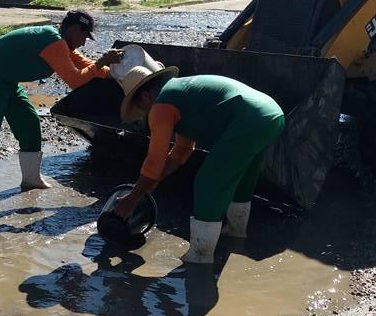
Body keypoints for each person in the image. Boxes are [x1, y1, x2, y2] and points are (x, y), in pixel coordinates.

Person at [111, 64, 285, 264]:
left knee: (208, 182)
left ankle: (200, 256)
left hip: (249, 119)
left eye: (140, 108)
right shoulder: (178, 93)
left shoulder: (160, 106)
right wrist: (152, 183)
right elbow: (182, 150)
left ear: (144, 96)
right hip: (271, 114)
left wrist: (131, 199)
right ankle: (236, 233)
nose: (143, 114)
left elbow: (154, 161)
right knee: (242, 177)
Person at [0, 10, 123, 209]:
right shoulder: (53, 41)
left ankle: (31, 180)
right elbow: (75, 80)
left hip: (8, 79)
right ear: (73, 29)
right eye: (84, 36)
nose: (83, 42)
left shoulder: (63, 44)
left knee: (29, 122)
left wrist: (117, 74)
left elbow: (86, 65)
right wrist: (102, 62)